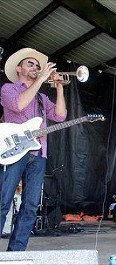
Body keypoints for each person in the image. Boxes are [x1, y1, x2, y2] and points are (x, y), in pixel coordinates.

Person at [0, 48, 67, 251]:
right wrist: (42, 78)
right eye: (31, 64)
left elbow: (60, 116)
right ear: (19, 68)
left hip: (38, 154)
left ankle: (16, 251)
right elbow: (19, 105)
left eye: (38, 66)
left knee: (30, 206)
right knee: (3, 201)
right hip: (12, 153)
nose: (36, 68)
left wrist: (59, 88)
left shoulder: (41, 98)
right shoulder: (8, 89)